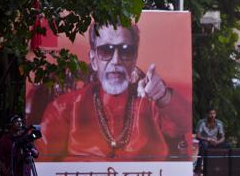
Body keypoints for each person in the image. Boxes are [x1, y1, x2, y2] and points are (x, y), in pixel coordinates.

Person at [37, 22, 190, 159]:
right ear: (93, 60)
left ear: (134, 58)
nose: (116, 60)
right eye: (106, 51)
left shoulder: (151, 102)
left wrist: (163, 95)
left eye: (126, 51)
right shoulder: (64, 108)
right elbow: (43, 167)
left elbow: (185, 125)